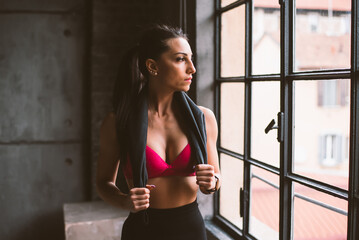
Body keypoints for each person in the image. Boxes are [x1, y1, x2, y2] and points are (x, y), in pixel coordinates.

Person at [96, 24, 221, 240]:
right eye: (181, 59)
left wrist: (213, 182)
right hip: (143, 231)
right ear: (153, 66)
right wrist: (124, 200)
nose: (192, 68)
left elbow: (216, 177)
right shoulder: (119, 122)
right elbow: (103, 182)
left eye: (191, 59)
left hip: (191, 229)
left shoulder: (204, 118)